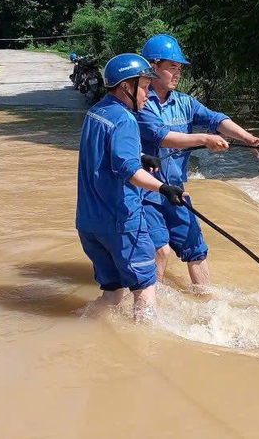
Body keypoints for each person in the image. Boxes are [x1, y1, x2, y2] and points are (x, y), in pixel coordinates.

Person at [137, 34, 259, 288]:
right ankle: (151, 312)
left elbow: (215, 119)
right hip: (146, 192)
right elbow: (161, 137)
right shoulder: (141, 102)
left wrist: (247, 137)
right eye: (171, 67)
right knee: (160, 250)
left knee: (196, 247)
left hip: (176, 191)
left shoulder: (185, 103)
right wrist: (205, 139)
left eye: (179, 68)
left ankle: (205, 302)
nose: (177, 74)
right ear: (153, 68)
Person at [75, 53, 186, 319]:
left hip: (89, 224)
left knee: (112, 294)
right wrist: (163, 188)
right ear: (127, 86)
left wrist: (140, 156)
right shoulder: (125, 119)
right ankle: (147, 351)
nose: (147, 94)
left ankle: (83, 328)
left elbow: (105, 156)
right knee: (144, 289)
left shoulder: (96, 113)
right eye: (145, 86)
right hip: (121, 223)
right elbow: (129, 172)